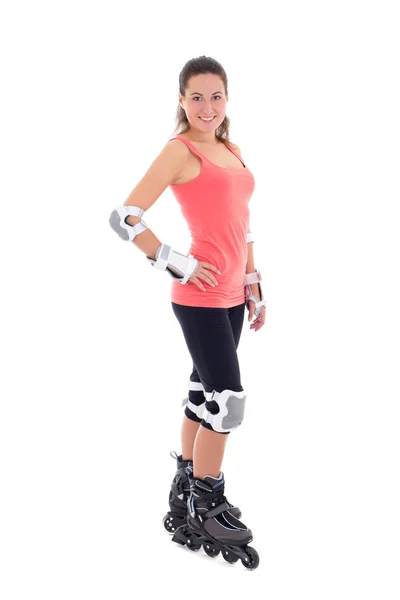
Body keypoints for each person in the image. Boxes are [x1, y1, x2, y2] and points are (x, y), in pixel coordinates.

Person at [109, 56, 265, 569]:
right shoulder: (178, 151)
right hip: (197, 297)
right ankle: (208, 499)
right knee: (228, 401)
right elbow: (125, 217)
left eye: (215, 96)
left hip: (231, 297)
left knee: (203, 395)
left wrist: (252, 281)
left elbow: (241, 225)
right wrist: (174, 262)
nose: (207, 106)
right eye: (196, 97)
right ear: (181, 100)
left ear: (227, 99)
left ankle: (184, 487)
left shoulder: (231, 151)